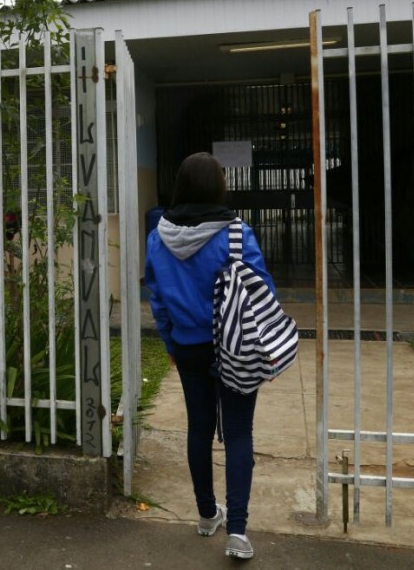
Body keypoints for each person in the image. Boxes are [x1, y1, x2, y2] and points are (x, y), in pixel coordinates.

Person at [144, 152, 276, 561]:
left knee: (199, 429)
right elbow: (263, 291)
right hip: (235, 346)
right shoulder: (237, 234)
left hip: (188, 347)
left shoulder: (157, 238)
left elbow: (157, 300)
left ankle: (206, 515)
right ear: (219, 186)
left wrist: (171, 344)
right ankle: (237, 531)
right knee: (238, 432)